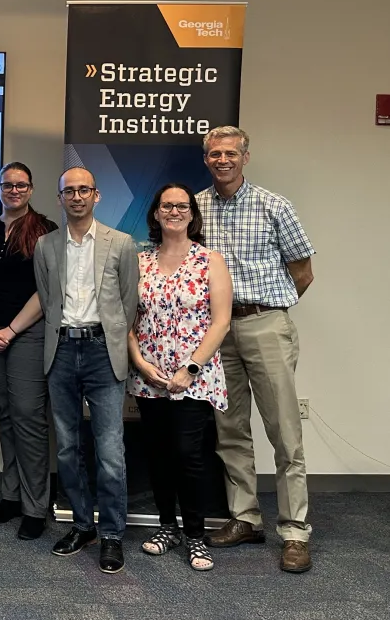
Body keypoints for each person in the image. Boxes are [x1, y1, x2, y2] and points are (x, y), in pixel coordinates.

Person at [196, 126, 316, 574]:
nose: (222, 159)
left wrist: (271, 312)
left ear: (246, 156)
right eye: (214, 153)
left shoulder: (274, 205)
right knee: (230, 430)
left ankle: (295, 531)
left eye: (230, 152)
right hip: (216, 332)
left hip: (265, 323)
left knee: (285, 433)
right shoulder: (196, 206)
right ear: (205, 158)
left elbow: (302, 271)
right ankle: (245, 518)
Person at [34, 166, 138, 574]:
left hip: (102, 352)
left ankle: (111, 534)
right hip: (60, 350)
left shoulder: (122, 243)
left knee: (110, 451)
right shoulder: (46, 245)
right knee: (66, 446)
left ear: (96, 195)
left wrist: (105, 337)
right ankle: (81, 525)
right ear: (59, 199)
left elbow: (127, 305)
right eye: (68, 191)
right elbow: (47, 300)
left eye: (84, 190)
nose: (76, 197)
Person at [128, 183, 233, 572]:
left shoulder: (210, 261)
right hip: (150, 375)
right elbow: (126, 318)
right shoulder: (140, 261)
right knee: (157, 455)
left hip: (195, 375)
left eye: (181, 206)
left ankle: (195, 535)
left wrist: (190, 368)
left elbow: (221, 321)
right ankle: (166, 527)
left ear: (192, 214)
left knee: (189, 456)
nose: (174, 211)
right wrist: (139, 362)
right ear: (155, 213)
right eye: (166, 205)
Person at [0, 162, 57, 540]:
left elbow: (47, 290)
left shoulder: (46, 231)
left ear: (31, 189)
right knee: (5, 414)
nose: (14, 190)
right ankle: (11, 495)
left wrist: (12, 329)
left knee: (28, 417)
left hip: (28, 334)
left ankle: (36, 507)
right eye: (7, 185)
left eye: (21, 185)